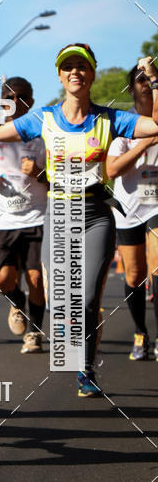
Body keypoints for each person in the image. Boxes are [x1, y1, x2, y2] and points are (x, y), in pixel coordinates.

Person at [0, 45, 158, 397]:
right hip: (58, 213)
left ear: (91, 73)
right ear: (60, 76)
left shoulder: (110, 118)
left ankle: (86, 368)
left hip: (96, 216)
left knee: (87, 299)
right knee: (62, 302)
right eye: (68, 67)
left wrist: (153, 78)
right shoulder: (42, 119)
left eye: (82, 66)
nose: (75, 72)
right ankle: (75, 346)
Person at [0, 77, 47, 352]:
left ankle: (35, 332)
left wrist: (39, 173)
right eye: (10, 96)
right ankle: (17, 302)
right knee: (3, 280)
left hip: (36, 216)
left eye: (22, 96)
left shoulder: (42, 134)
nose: (16, 101)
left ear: (32, 101)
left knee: (36, 279)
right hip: (0, 219)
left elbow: (59, 180)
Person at [106, 63, 158, 360]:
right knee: (135, 273)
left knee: (157, 262)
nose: (147, 83)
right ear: (131, 89)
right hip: (129, 210)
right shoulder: (124, 125)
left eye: (152, 79)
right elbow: (112, 169)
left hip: (157, 206)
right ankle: (141, 332)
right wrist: (145, 144)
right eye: (142, 79)